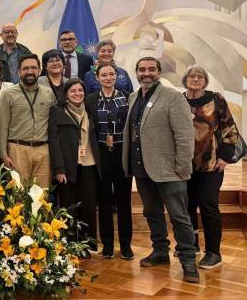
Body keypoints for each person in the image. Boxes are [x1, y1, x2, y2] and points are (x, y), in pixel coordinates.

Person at [122, 57, 198, 283]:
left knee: (179, 216)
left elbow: (185, 136)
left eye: (151, 69)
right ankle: (160, 252)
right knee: (152, 213)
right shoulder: (134, 96)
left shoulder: (173, 97)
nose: (146, 73)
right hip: (142, 169)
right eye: (142, 69)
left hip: (169, 171)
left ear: (159, 72)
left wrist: (183, 166)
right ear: (136, 72)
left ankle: (188, 260)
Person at [182, 65, 239, 269]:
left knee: (208, 205)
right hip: (185, 165)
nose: (195, 79)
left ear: (205, 81)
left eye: (200, 76)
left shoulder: (216, 99)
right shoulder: (179, 99)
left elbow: (229, 127)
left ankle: (214, 252)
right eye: (191, 76)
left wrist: (225, 157)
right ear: (185, 79)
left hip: (211, 164)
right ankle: (192, 245)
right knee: (187, 207)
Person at [85, 64, 133, 260]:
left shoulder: (127, 97)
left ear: (117, 76)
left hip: (122, 154)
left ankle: (126, 245)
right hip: (101, 154)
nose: (107, 78)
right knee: (103, 201)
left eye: (111, 74)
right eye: (103, 75)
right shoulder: (91, 100)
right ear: (97, 78)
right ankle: (107, 244)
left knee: (124, 201)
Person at [49, 79, 101, 258]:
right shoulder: (57, 112)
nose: (77, 94)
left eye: (80, 90)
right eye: (73, 91)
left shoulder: (89, 111)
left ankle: (86, 246)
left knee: (88, 206)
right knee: (68, 207)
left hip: (89, 164)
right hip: (67, 167)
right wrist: (59, 168)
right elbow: (54, 142)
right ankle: (70, 246)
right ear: (65, 94)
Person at [0, 54, 56, 187]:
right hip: (17, 150)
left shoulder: (48, 93)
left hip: (43, 151)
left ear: (40, 70)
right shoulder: (8, 94)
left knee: (42, 196)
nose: (30, 71)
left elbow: (54, 125)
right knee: (19, 197)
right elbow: (3, 126)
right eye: (25, 68)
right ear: (19, 72)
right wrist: (3, 154)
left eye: (33, 68)